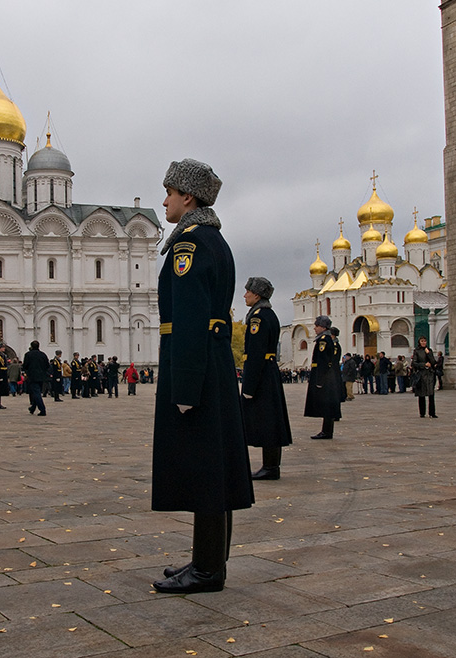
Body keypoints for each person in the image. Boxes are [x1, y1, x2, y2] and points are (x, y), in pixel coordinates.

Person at [150, 158, 253, 595]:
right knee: (213, 465)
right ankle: (209, 558)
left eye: (169, 192)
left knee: (206, 469)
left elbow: (190, 319)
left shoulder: (189, 246)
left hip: (197, 371)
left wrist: (185, 386)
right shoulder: (214, 240)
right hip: (214, 368)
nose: (165, 200)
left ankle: (209, 570)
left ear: (187, 197)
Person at [240, 277, 292, 480]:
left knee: (268, 421)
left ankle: (270, 467)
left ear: (257, 294)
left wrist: (249, 386)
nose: (245, 295)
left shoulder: (258, 318)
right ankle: (271, 465)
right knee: (272, 420)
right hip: (269, 373)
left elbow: (255, 353)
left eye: (248, 291)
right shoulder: (269, 314)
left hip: (261, 376)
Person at [304, 316, 343, 439]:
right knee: (328, 405)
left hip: (324, 376)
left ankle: (327, 431)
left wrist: (319, 380)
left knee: (327, 405)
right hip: (327, 375)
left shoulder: (323, 340)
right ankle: (326, 430)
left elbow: (323, 360)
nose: (315, 328)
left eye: (317, 326)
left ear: (323, 327)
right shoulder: (324, 339)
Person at [412, 336, 438, 418]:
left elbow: (433, 362)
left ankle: (432, 412)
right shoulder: (417, 351)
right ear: (419, 342)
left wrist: (429, 354)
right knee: (422, 395)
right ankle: (422, 412)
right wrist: (424, 365)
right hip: (422, 375)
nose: (423, 343)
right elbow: (414, 363)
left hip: (429, 374)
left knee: (431, 394)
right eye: (422, 341)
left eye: (425, 341)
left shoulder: (429, 350)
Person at [22, 340, 50, 416]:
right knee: (36, 392)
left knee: (36, 393)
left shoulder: (28, 355)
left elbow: (25, 366)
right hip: (42, 377)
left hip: (32, 376)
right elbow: (47, 365)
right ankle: (33, 408)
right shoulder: (43, 355)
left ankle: (42, 409)